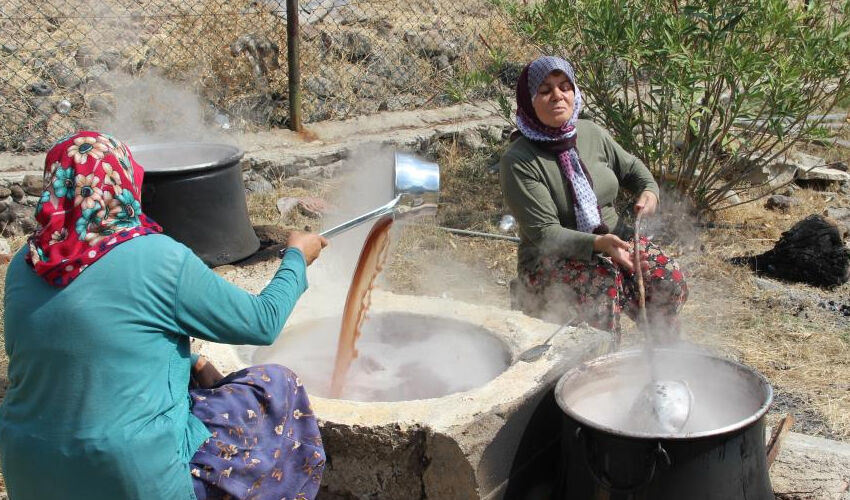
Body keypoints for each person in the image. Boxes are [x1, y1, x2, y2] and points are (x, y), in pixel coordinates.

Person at [0, 131, 329, 500]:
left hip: (28, 471)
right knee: (275, 384)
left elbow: (81, 343)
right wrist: (297, 258)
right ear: (125, 182)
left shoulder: (25, 264)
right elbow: (262, 322)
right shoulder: (158, 258)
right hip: (132, 477)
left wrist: (192, 360)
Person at [500, 56, 688, 338]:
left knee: (667, 279)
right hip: (550, 260)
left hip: (614, 240)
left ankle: (663, 354)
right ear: (529, 100)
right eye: (545, 90)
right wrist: (599, 244)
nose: (558, 96)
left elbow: (632, 168)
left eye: (565, 87)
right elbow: (545, 233)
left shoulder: (590, 133)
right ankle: (593, 360)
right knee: (601, 288)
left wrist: (649, 190)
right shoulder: (519, 161)